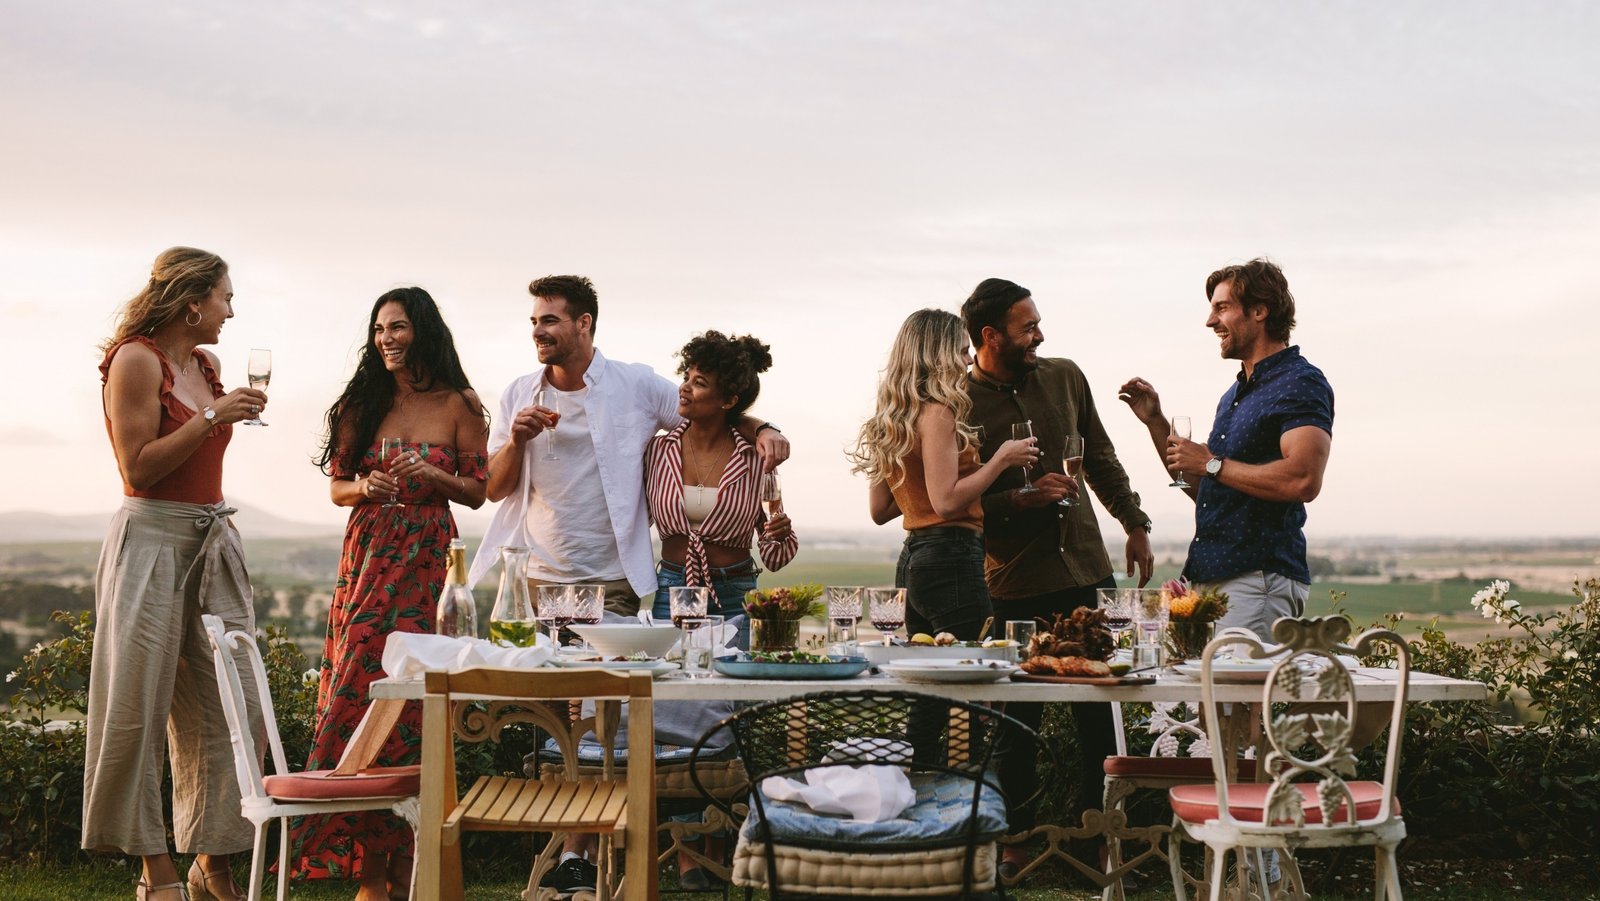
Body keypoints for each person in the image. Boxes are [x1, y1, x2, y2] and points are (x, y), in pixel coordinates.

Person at [468, 275, 788, 896]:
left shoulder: (636, 385)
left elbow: (709, 408)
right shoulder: (517, 393)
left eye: (550, 320)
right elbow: (494, 486)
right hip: (538, 579)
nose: (538, 330)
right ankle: (576, 848)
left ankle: (584, 852)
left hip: (612, 580)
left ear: (584, 323)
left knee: (603, 719)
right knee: (552, 723)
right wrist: (518, 438)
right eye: (534, 321)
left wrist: (764, 426)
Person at [85, 247, 269, 901]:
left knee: (235, 706)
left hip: (212, 541)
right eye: (225, 297)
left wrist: (218, 409)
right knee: (137, 705)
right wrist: (215, 416)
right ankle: (154, 869)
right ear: (193, 302)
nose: (230, 310)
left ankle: (211, 861)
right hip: (152, 542)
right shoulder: (136, 360)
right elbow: (139, 467)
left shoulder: (206, 366)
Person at [297, 286, 489, 901]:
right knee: (359, 691)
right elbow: (337, 488)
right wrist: (366, 487)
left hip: (429, 563)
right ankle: (367, 873)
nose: (387, 339)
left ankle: (407, 869)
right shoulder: (362, 403)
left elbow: (478, 491)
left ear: (423, 330)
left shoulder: (460, 404)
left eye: (398, 327)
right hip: (370, 559)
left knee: (416, 703)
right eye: (380, 329)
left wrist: (432, 474)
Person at [959, 277, 1155, 879]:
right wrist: (1022, 498)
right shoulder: (956, 404)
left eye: (1038, 324)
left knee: (1101, 715)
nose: (1040, 335)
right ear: (991, 336)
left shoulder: (1065, 376)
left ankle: (1096, 841)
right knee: (1017, 722)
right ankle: (1017, 843)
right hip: (1015, 582)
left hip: (1087, 572)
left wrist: (1134, 522)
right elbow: (953, 502)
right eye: (1028, 327)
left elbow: (1101, 457)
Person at [1118, 258, 1332, 638]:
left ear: (1259, 311)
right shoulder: (1233, 394)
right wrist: (1155, 421)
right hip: (1212, 578)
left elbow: (1303, 479)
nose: (1210, 321)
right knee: (1201, 681)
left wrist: (1212, 464)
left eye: (1222, 308)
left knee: (1236, 680)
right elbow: (1209, 491)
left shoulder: (1300, 382)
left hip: (1257, 580)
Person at [848, 308, 1039, 642]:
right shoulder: (939, 411)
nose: (968, 360)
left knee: (928, 669)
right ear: (937, 356)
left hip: (913, 563)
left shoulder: (890, 420)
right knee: (973, 665)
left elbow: (880, 510)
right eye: (962, 351)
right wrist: (1001, 459)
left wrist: (923, 485)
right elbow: (946, 503)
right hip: (952, 559)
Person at [647, 330, 797, 631]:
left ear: (728, 400)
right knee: (671, 663)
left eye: (699, 382)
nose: (684, 387)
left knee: (733, 663)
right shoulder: (658, 451)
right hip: (672, 588)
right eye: (687, 377)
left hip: (735, 593)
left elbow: (774, 557)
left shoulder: (756, 459)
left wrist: (779, 532)